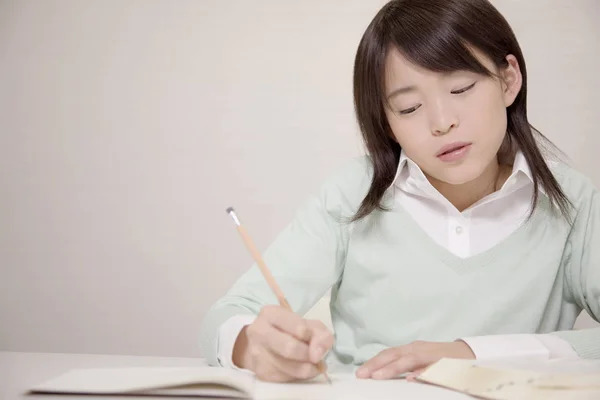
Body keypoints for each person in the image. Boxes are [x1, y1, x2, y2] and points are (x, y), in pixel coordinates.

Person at [200, 0, 600, 383]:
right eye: (409, 108)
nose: (442, 122)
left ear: (508, 80)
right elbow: (228, 315)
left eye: (461, 88)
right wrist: (253, 346)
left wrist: (470, 353)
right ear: (386, 122)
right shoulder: (353, 194)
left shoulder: (574, 204)